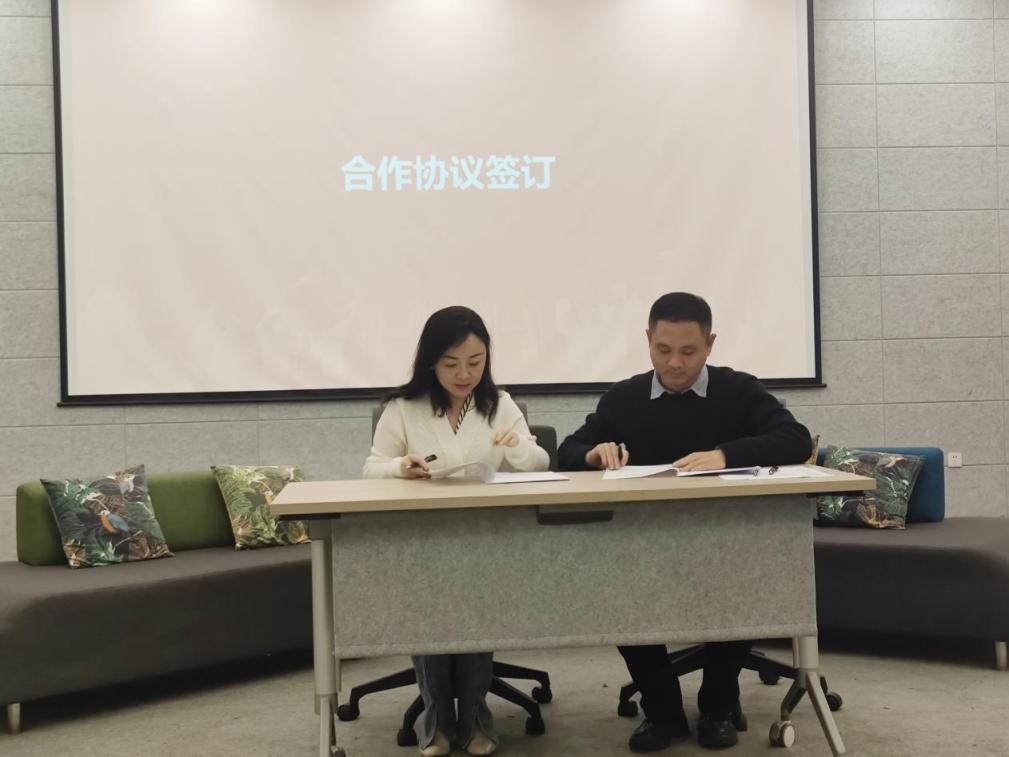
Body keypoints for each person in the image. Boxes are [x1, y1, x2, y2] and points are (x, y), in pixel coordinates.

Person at [557, 292, 812, 753]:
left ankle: (718, 706)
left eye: (689, 351)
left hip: (724, 541)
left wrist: (726, 454)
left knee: (744, 587)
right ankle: (663, 712)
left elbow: (794, 438)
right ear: (648, 340)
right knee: (615, 596)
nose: (674, 363)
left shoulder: (738, 390)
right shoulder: (625, 397)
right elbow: (568, 451)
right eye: (663, 350)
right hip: (643, 544)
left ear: (710, 344)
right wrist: (593, 454)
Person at [363, 305, 549, 757]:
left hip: (487, 539)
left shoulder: (499, 404)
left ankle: (475, 718)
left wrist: (517, 446)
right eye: (451, 363)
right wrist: (399, 467)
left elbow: (540, 463)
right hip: (422, 540)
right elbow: (370, 469)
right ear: (431, 361)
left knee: (476, 603)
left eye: (475, 362)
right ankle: (438, 721)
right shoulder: (403, 408)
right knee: (430, 604)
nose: (464, 374)